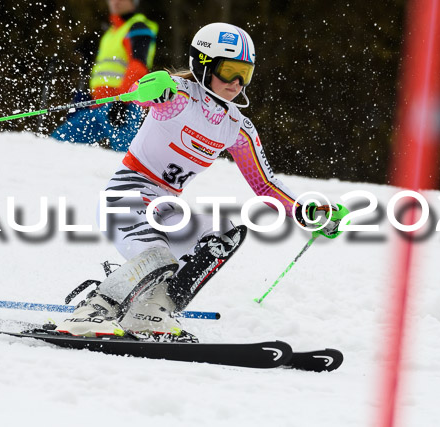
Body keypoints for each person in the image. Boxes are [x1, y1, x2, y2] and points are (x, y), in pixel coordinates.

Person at [55, 23, 347, 341]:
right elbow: (145, 93)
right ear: (204, 65)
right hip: (126, 196)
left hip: (164, 206)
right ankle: (91, 310)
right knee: (158, 258)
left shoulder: (236, 125)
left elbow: (266, 185)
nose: (237, 82)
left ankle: (152, 310)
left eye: (245, 74)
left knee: (225, 232)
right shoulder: (178, 97)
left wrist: (307, 211)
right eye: (230, 70)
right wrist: (154, 87)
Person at [51, 0, 158, 151]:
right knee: (57, 144)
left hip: (124, 106)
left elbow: (138, 67)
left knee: (126, 160)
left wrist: (122, 101)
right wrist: (88, 96)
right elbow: (106, 72)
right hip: (99, 106)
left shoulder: (138, 27)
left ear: (133, 0)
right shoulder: (110, 33)